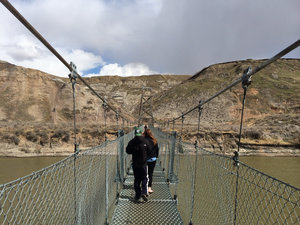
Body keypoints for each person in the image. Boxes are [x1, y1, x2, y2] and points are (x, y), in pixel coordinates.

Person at [126, 127, 151, 202]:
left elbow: (128, 151)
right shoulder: (146, 141)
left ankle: (137, 195)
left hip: (135, 164)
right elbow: (150, 151)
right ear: (141, 133)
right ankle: (144, 192)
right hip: (143, 164)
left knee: (137, 179)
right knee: (144, 178)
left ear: (135, 134)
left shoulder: (131, 142)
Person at [144, 128, 159, 194]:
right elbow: (157, 150)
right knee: (150, 173)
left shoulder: (143, 141)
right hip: (153, 159)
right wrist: (156, 156)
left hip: (145, 159)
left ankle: (144, 187)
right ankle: (149, 188)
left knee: (144, 173)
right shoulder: (154, 140)